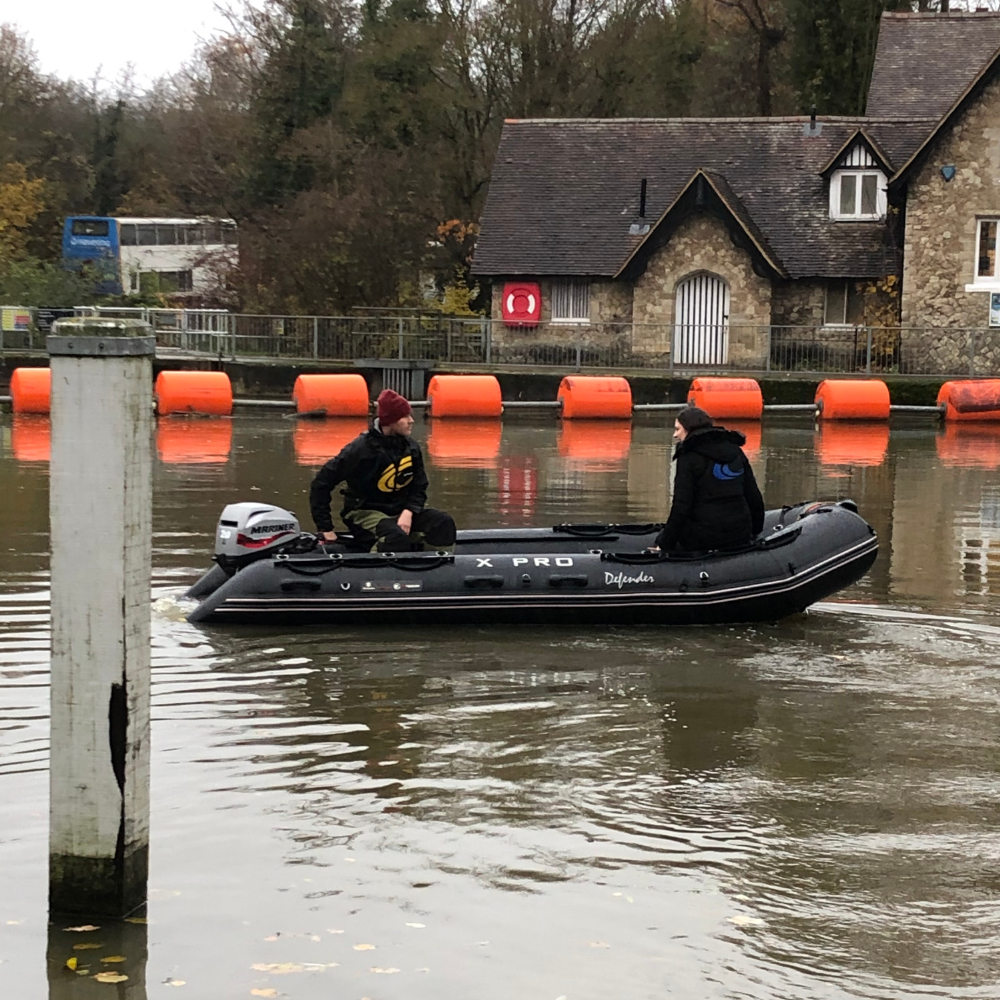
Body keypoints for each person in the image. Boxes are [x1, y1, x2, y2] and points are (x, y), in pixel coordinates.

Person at [309, 388, 457, 553]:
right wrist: (325, 528)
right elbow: (321, 483)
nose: (411, 420)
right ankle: (376, 573)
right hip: (363, 512)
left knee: (443, 523)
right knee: (393, 537)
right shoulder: (360, 450)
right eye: (405, 416)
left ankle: (434, 569)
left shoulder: (411, 447)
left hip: (400, 511)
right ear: (390, 421)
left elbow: (419, 486)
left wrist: (409, 511)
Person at [653, 405, 764, 554]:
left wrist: (664, 544)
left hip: (704, 537)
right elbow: (754, 497)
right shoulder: (735, 451)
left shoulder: (689, 457)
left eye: (678, 429)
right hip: (740, 533)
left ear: (689, 429)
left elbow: (681, 506)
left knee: (663, 539)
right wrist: (755, 533)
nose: (675, 435)